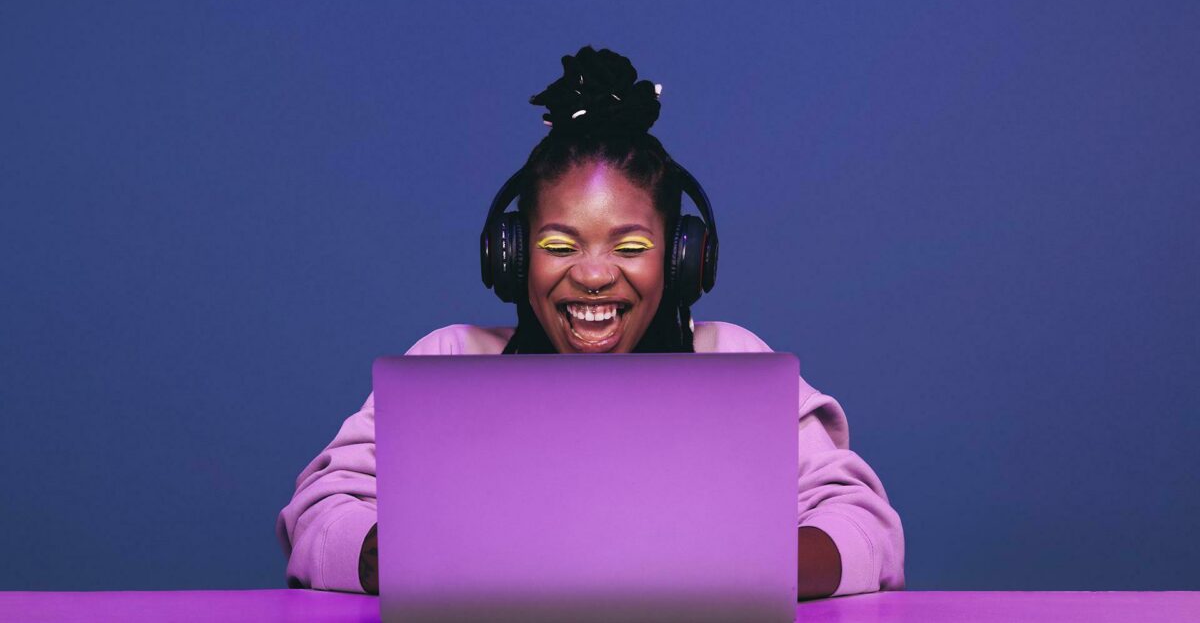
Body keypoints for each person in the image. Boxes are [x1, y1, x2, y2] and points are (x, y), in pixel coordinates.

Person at [276, 46, 905, 600]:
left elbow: (866, 531)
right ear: (512, 257)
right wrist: (419, 559)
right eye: (558, 245)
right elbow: (316, 520)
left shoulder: (731, 360)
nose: (595, 275)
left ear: (684, 260)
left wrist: (730, 568)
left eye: (630, 248)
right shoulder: (450, 359)